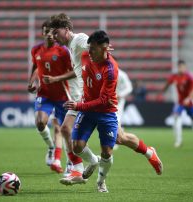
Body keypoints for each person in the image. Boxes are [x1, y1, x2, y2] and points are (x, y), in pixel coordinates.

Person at [48, 13, 163, 183]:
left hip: (95, 99)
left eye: (56, 32)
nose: (53, 36)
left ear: (66, 29)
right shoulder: (70, 47)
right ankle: (80, 168)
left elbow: (91, 45)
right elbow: (81, 67)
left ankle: (149, 152)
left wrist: (104, 49)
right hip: (84, 95)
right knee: (66, 129)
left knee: (120, 138)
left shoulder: (78, 39)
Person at [63, 30, 119, 192]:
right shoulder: (86, 55)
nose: (90, 52)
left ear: (103, 48)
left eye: (93, 49)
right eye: (89, 48)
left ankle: (101, 182)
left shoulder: (110, 69)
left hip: (105, 111)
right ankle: (94, 161)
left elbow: (103, 101)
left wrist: (78, 106)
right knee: (77, 146)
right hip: (87, 109)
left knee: (107, 153)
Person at [27, 20, 73, 174]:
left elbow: (73, 71)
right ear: (42, 33)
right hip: (44, 94)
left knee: (63, 129)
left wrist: (56, 79)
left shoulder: (63, 50)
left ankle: (69, 164)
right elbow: (36, 66)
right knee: (40, 123)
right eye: (47, 32)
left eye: (53, 32)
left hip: (62, 95)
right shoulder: (36, 50)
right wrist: (31, 81)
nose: (51, 35)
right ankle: (52, 147)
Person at [161, 59, 193, 148]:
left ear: (185, 67)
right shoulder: (174, 76)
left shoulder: (189, 76)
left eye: (183, 67)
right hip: (180, 102)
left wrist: (189, 98)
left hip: (190, 101)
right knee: (176, 118)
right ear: (178, 67)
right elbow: (168, 83)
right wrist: (163, 90)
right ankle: (178, 141)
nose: (181, 69)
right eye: (180, 67)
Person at [113, 68, 133, 150]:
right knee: (114, 119)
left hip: (119, 100)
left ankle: (117, 139)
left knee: (117, 118)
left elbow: (129, 88)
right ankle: (117, 136)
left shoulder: (121, 74)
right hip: (108, 99)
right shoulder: (104, 71)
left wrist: (120, 95)